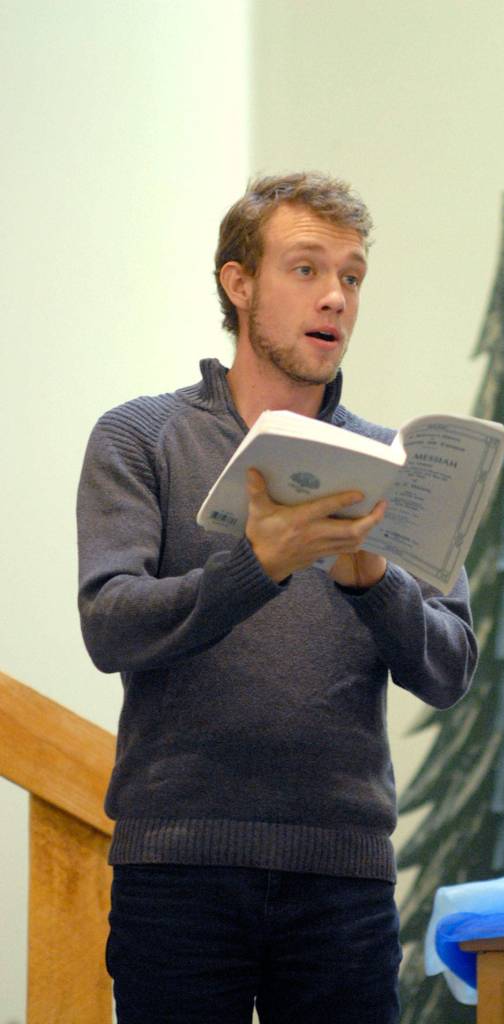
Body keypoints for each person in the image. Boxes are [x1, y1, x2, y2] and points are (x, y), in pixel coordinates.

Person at [77, 171, 478, 1024]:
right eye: (306, 269)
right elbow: (110, 624)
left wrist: (373, 580)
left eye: (353, 276)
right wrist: (255, 564)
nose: (335, 297)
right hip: (177, 870)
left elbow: (451, 670)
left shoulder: (391, 465)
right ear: (238, 283)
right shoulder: (141, 437)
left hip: (342, 878)